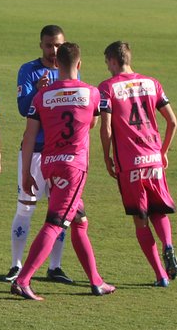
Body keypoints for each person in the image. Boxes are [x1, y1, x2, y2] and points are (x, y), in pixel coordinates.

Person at [10, 42, 114, 301]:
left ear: (56, 64)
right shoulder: (91, 93)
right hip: (73, 167)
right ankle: (23, 280)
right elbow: (93, 123)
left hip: (49, 164)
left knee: (80, 221)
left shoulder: (42, 96)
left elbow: (29, 135)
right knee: (55, 223)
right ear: (79, 64)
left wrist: (26, 173)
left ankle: (96, 281)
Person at [98, 41, 177, 286]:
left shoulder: (107, 87)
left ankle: (160, 275)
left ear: (113, 61)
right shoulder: (152, 83)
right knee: (158, 210)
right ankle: (168, 245)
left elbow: (106, 128)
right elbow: (172, 122)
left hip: (130, 163)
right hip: (153, 158)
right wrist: (163, 152)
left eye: (107, 62)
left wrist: (106, 156)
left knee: (140, 218)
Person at [6, 24, 73, 286]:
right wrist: (38, 90)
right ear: (41, 45)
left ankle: (55, 267)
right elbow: (24, 108)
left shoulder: (71, 70)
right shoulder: (29, 70)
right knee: (25, 207)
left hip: (61, 154)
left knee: (58, 213)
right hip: (35, 151)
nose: (54, 50)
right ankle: (16, 265)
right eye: (49, 45)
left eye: (58, 45)